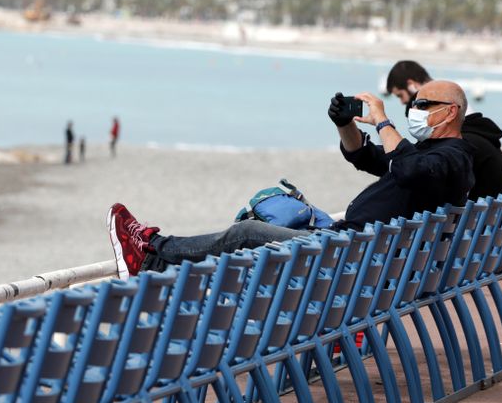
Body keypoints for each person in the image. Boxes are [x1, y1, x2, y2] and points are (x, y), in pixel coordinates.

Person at [106, 81, 474, 280]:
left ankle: (151, 252)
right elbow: (366, 157)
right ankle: (157, 264)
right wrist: (345, 125)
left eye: (424, 106)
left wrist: (383, 121)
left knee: (246, 233)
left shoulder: (451, 158)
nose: (415, 111)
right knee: (269, 225)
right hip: (369, 254)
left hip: (349, 255)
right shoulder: (431, 159)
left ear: (451, 111)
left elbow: (405, 167)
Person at [386, 60, 502, 201]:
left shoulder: (461, 146)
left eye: (421, 106)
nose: (404, 103)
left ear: (412, 85)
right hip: (496, 217)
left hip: (480, 220)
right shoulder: (477, 134)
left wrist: (383, 126)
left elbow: (420, 173)